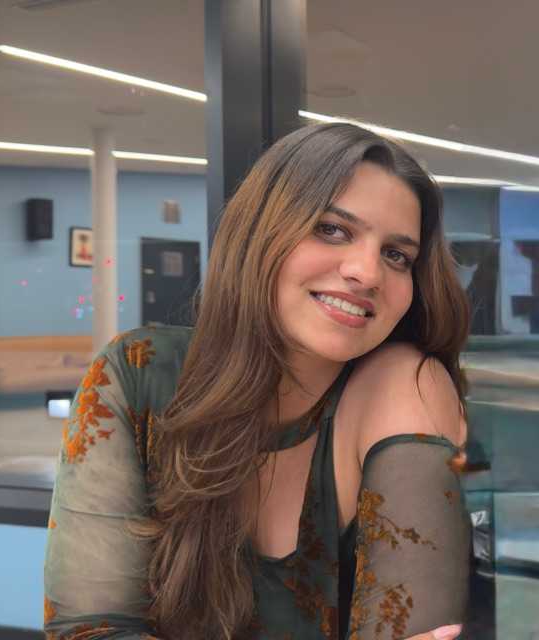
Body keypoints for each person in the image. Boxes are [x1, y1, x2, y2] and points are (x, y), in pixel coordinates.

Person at [43, 123, 472, 640]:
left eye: (396, 255)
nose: (367, 272)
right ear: (259, 232)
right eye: (332, 229)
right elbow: (89, 629)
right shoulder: (137, 373)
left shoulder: (405, 383)